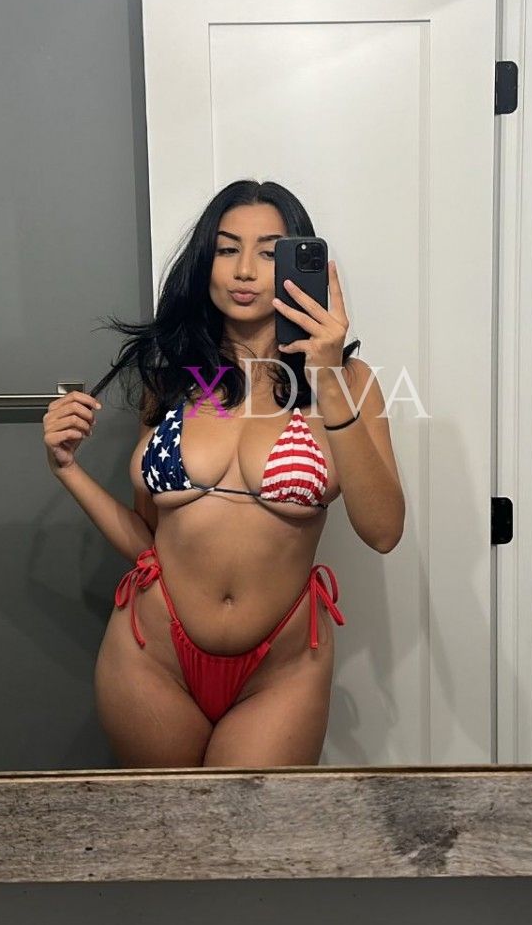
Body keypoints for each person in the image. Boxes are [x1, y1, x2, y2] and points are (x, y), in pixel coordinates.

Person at [43, 179, 405, 767]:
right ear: (203, 262)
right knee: (167, 824)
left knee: (255, 827)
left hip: (282, 669)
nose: (243, 270)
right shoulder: (172, 380)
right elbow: (149, 543)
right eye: (226, 248)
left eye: (268, 252)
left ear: (301, 266)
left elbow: (384, 530)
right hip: (150, 656)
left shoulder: (350, 381)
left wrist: (328, 375)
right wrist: (68, 470)